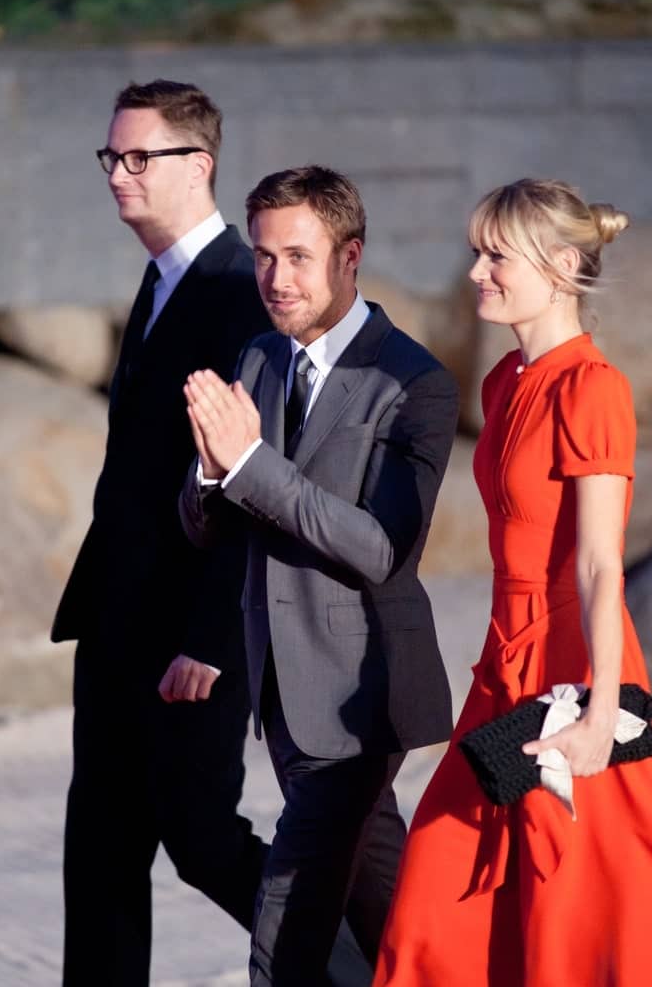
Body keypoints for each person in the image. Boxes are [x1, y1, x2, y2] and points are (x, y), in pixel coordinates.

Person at [373, 178, 652, 986]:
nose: (475, 271)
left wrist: (602, 713)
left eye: (495, 254)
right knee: (439, 900)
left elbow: (601, 563)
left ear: (562, 264)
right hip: (503, 668)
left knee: (571, 919)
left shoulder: (590, 388)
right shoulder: (502, 383)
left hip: (573, 676)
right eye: (476, 251)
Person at [179, 165, 459, 986]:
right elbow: (207, 525)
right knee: (388, 909)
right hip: (281, 689)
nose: (275, 279)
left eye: (298, 257)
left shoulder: (413, 381)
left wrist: (250, 466)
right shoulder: (258, 356)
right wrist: (206, 476)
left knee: (288, 922)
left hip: (360, 697)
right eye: (264, 257)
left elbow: (379, 548)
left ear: (350, 256)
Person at [51, 79, 271, 986]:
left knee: (203, 838)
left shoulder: (236, 292)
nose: (119, 174)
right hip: (115, 630)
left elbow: (251, 489)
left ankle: (367, 965)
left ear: (200, 166)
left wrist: (212, 642)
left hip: (187, 643)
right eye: (112, 156)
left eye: (141, 157)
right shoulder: (159, 282)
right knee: (98, 857)